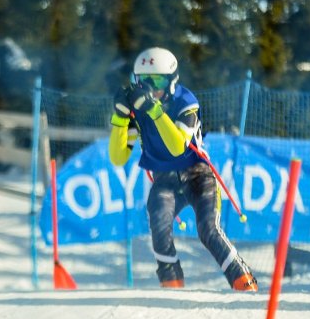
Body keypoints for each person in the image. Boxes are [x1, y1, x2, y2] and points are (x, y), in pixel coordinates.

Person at [109, 47, 257, 291]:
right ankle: (171, 284)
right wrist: (120, 118)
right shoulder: (140, 110)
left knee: (208, 230)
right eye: (142, 82)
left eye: (156, 81)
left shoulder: (185, 102)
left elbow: (178, 147)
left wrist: (154, 110)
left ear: (171, 82)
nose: (149, 89)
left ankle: (244, 281)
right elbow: (118, 156)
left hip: (197, 175)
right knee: (158, 224)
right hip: (165, 179)